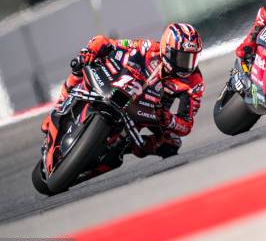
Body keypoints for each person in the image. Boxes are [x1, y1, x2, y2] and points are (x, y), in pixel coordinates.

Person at [41, 23, 205, 159]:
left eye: (192, 58)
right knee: (79, 66)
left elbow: (187, 124)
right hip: (124, 88)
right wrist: (91, 51)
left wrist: (169, 120)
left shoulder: (194, 82)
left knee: (172, 144)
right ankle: (59, 106)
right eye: (182, 58)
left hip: (150, 111)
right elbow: (108, 42)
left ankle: (126, 146)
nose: (187, 65)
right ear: (167, 49)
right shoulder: (147, 47)